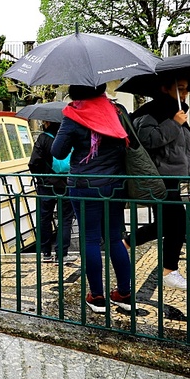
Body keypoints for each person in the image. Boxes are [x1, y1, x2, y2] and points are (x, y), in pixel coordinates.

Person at [51, 84, 133, 314]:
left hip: (85, 186)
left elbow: (57, 152)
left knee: (89, 240)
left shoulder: (74, 114)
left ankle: (97, 297)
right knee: (115, 239)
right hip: (115, 186)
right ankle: (124, 294)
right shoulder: (117, 110)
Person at [132, 77, 190, 291]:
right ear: (164, 88)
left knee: (169, 223)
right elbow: (148, 140)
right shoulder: (152, 112)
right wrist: (174, 123)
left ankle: (125, 243)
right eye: (179, 88)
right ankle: (169, 271)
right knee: (176, 222)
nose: (184, 94)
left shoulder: (175, 110)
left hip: (172, 176)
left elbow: (182, 145)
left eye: (186, 89)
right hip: (160, 177)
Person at [27, 118, 77, 263]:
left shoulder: (43, 138)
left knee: (44, 218)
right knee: (65, 219)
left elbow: (33, 162)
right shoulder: (68, 138)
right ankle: (62, 254)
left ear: (48, 122)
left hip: (47, 185)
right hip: (67, 184)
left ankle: (46, 253)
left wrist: (41, 178)